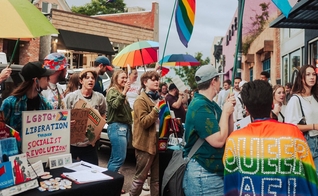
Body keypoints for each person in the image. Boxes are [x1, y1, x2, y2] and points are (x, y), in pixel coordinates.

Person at [223, 80, 318, 195]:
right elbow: (310, 175)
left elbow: (231, 182)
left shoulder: (234, 140)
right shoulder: (293, 134)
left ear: (246, 109)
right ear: (272, 105)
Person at [182, 64, 235, 196]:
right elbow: (219, 141)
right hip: (204, 175)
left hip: (210, 173)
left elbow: (228, 132)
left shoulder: (209, 103)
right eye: (218, 80)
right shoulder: (200, 106)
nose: (220, 83)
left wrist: (229, 110)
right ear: (213, 82)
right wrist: (226, 112)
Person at [0, 61, 54, 141]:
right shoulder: (10, 103)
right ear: (36, 80)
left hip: (38, 150)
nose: (49, 80)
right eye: (46, 77)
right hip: (16, 152)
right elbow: (2, 130)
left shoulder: (46, 104)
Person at [64, 68, 106, 165]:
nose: (90, 80)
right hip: (72, 143)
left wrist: (99, 127)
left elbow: (103, 112)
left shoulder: (99, 97)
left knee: (92, 172)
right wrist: (67, 123)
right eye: (87, 78)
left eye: (93, 78)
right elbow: (61, 115)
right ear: (81, 81)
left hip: (90, 144)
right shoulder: (72, 97)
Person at [129, 71, 160, 196]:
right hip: (145, 144)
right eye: (153, 79)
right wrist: (156, 110)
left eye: (157, 79)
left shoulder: (158, 98)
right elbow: (144, 122)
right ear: (145, 82)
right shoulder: (140, 100)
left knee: (156, 179)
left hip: (158, 142)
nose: (157, 81)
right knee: (140, 178)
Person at [285, 64, 318, 174]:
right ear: (302, 78)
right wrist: (313, 126)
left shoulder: (315, 97)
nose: (312, 77)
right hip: (307, 143)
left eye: (314, 74)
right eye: (308, 75)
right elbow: (290, 126)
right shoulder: (296, 99)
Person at [106, 70, 132, 173]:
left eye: (126, 77)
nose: (125, 80)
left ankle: (108, 181)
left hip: (124, 127)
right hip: (117, 127)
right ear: (115, 79)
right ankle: (110, 184)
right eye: (122, 78)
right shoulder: (112, 91)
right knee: (119, 159)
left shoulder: (121, 92)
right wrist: (124, 92)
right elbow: (115, 105)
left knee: (115, 158)